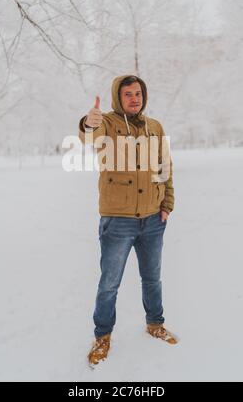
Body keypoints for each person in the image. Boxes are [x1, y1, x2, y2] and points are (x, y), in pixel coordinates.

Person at [78, 74, 177, 366]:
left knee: (152, 279)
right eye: (128, 94)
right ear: (117, 98)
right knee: (109, 283)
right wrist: (89, 122)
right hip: (118, 221)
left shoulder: (155, 127)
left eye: (138, 93)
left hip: (152, 219)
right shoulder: (106, 123)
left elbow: (165, 167)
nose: (135, 98)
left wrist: (167, 205)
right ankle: (102, 336)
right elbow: (88, 136)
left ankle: (155, 323)